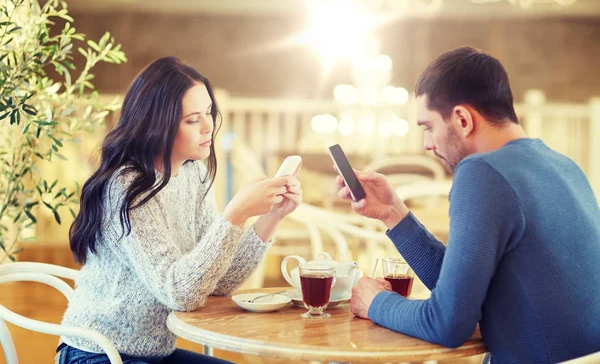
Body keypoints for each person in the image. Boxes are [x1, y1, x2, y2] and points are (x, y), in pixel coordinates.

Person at [338, 47, 600, 364]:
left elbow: (447, 324)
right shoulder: (565, 166)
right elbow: (461, 293)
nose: (427, 144)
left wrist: (376, 301)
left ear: (462, 118)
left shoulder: (482, 173)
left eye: (428, 127)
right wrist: (394, 213)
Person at [56, 57, 302, 364]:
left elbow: (219, 283)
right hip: (97, 354)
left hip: (156, 355)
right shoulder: (126, 187)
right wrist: (235, 213)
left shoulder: (193, 175)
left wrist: (271, 217)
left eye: (209, 112)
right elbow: (180, 294)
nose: (209, 127)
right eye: (192, 119)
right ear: (157, 124)